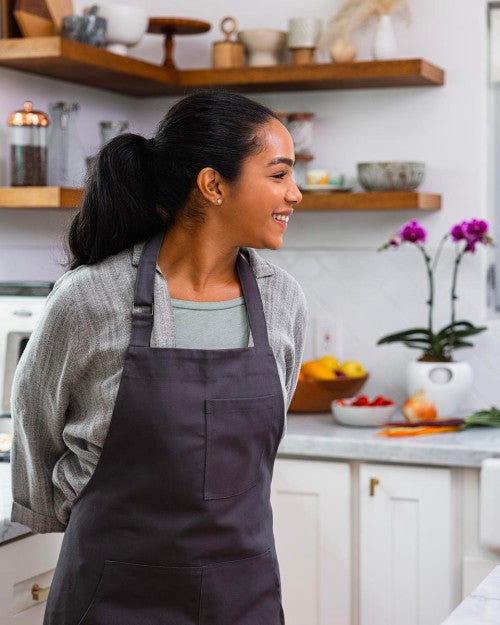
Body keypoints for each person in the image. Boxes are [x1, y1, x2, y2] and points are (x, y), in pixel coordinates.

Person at [10, 90, 308, 625]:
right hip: (111, 597)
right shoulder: (89, 298)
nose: (296, 193)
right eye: (279, 174)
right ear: (214, 184)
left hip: (244, 598)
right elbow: (35, 421)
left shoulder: (282, 301)